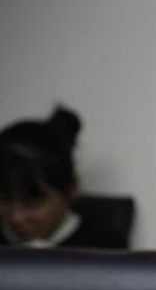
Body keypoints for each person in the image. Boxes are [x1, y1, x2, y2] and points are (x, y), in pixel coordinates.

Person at [0, 106, 125, 248]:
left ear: (71, 189)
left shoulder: (106, 247)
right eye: (5, 201)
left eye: (32, 204)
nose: (16, 217)